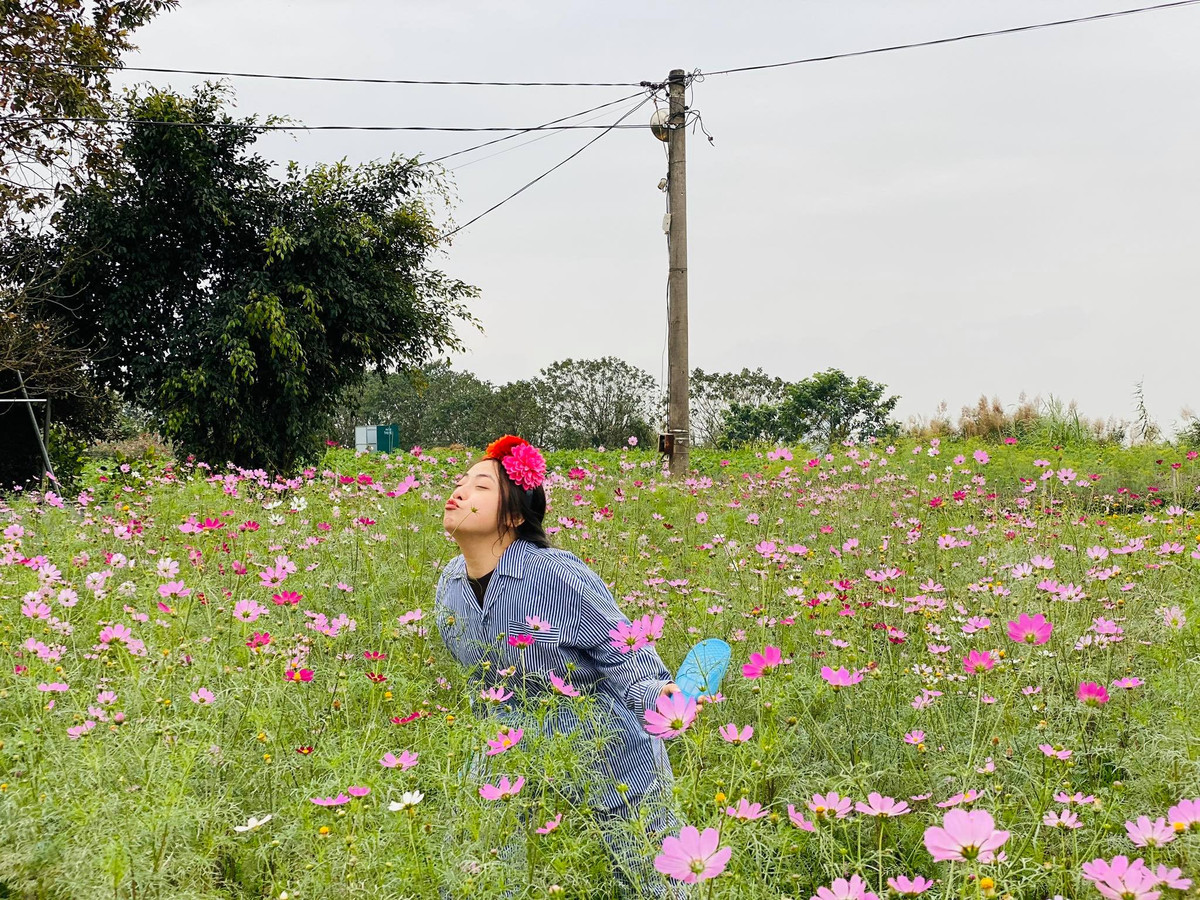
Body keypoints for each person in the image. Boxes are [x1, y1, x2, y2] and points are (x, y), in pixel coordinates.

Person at [433, 435, 688, 898]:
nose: (460, 491)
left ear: (513, 515)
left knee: (647, 877)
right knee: (478, 872)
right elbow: (479, 680)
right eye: (461, 481)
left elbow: (622, 647)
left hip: (603, 744)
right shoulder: (449, 584)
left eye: (481, 486)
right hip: (508, 744)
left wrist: (658, 694)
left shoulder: (556, 574)